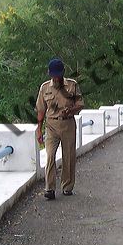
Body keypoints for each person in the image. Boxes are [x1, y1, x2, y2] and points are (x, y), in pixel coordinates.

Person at [35, 57, 84, 199]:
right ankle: (49, 188)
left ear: (63, 72)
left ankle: (67, 186)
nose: (56, 78)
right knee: (50, 155)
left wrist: (71, 110)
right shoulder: (45, 88)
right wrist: (39, 129)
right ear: (49, 74)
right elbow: (41, 110)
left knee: (68, 156)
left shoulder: (72, 85)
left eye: (58, 75)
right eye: (53, 75)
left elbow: (80, 103)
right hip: (51, 125)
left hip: (68, 124)